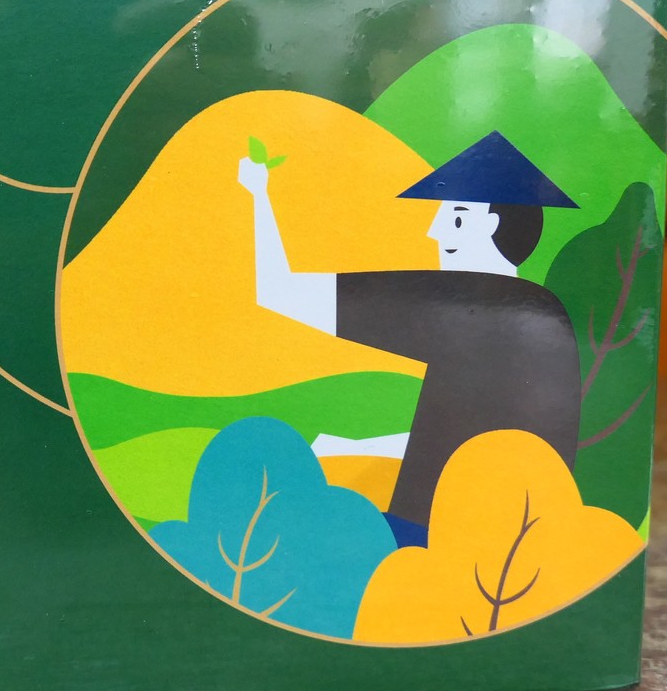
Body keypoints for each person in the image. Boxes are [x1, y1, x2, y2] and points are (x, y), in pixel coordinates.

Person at [238, 130, 582, 548]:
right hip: (522, 536)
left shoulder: (461, 304)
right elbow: (477, 431)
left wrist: (258, 195)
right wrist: (363, 446)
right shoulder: (544, 312)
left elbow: (279, 291)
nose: (436, 232)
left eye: (455, 217)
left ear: (492, 225)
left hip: (437, 537)